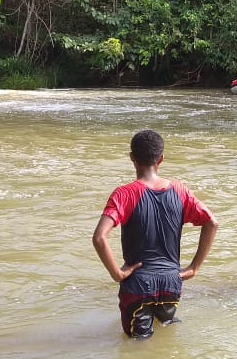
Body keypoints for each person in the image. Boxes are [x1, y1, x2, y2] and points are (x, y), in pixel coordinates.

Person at [92, 130, 218, 339]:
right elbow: (212, 223)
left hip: (138, 284)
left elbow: (99, 237)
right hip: (172, 281)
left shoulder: (124, 194)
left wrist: (117, 274)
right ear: (161, 159)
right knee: (166, 334)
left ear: (132, 157)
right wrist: (194, 268)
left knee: (137, 346)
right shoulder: (180, 190)